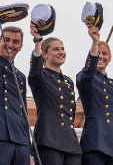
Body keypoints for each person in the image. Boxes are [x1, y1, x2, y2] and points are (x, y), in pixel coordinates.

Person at [28, 22, 82, 165]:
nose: (61, 52)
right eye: (56, 49)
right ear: (44, 55)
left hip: (71, 144)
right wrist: (38, 42)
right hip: (49, 140)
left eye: (62, 49)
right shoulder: (40, 75)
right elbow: (34, 72)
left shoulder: (69, 82)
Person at [76, 25, 113, 165]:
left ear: (109, 58)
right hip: (94, 144)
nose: (101, 56)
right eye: (98, 53)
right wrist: (95, 42)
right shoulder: (86, 77)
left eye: (105, 54)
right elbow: (86, 75)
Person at [0, 26, 33, 165]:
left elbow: (23, 112)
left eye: (15, 42)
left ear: (20, 46)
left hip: (20, 143)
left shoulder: (20, 76)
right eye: (6, 40)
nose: (10, 45)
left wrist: (29, 149)